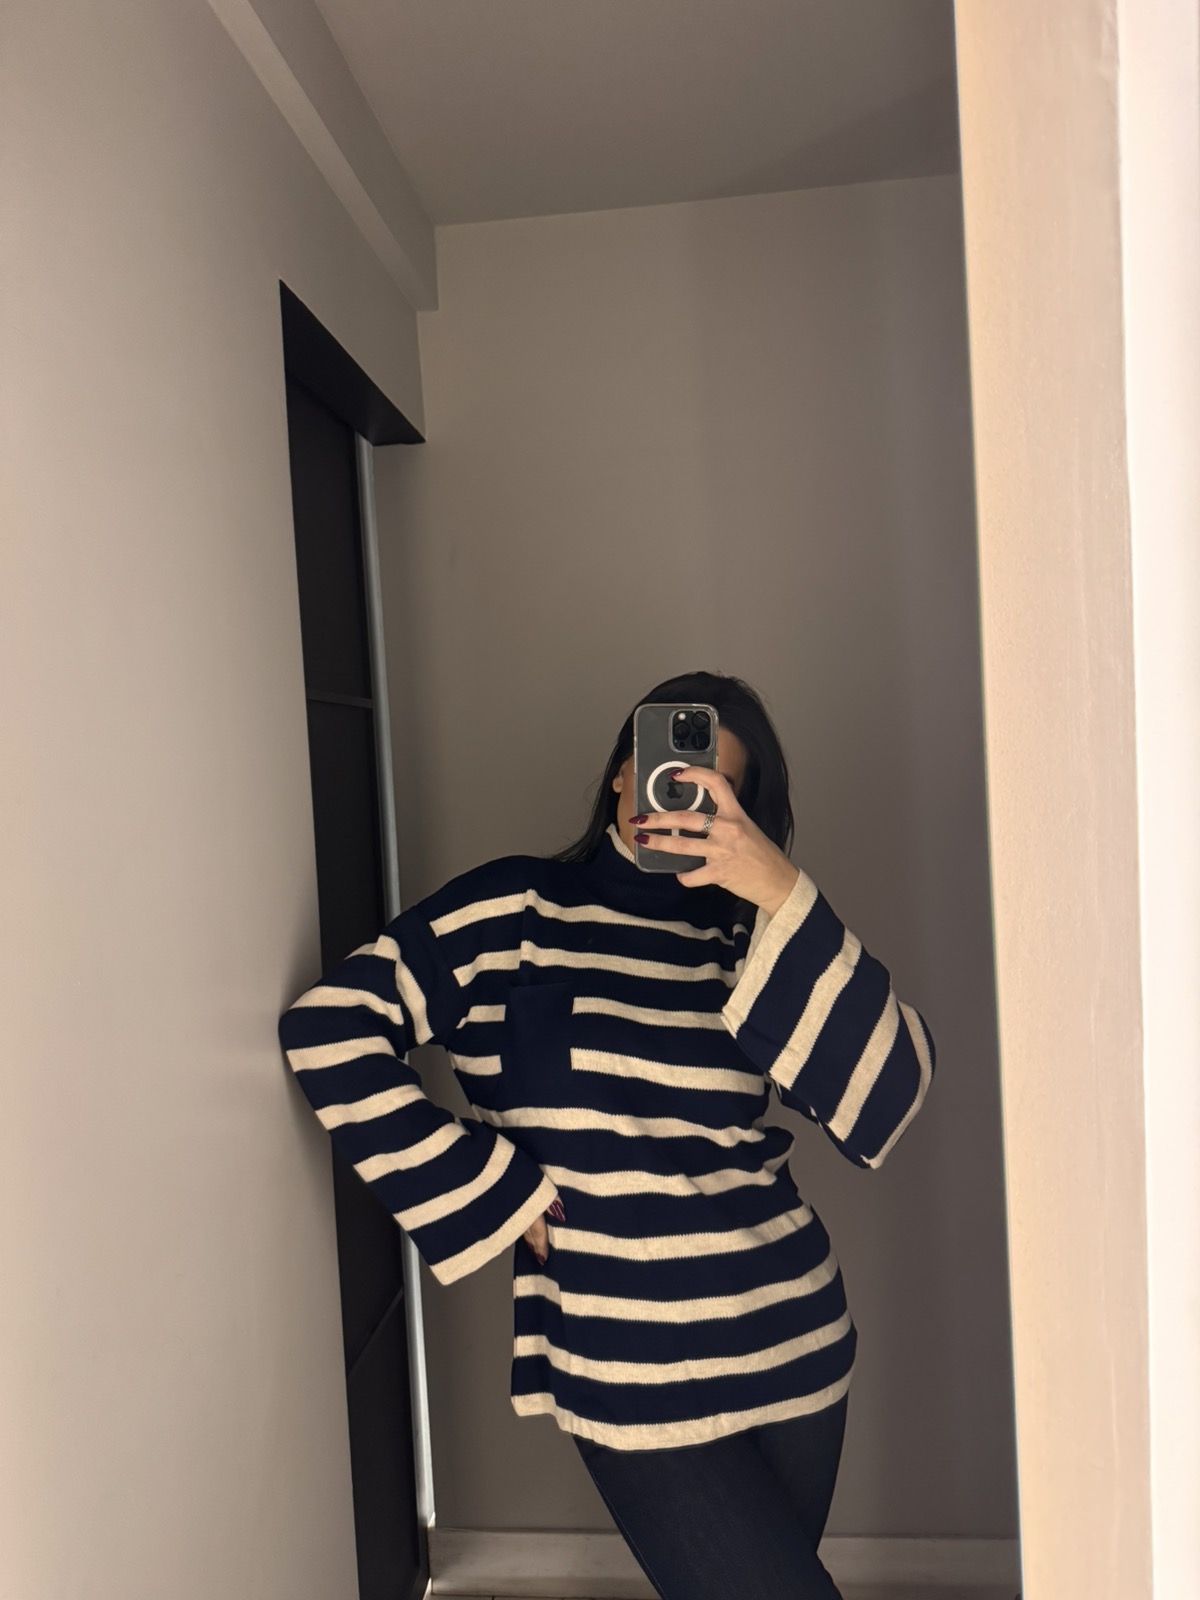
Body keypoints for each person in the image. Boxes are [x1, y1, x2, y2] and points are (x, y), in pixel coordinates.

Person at [278, 669, 937, 1600]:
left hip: (794, 1345)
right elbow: (329, 1027)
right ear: (623, 772)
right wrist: (497, 1193)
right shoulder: (514, 910)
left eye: (713, 786)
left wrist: (780, 890)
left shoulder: (749, 939)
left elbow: (888, 1096)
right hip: (627, 1364)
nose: (677, 793)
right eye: (661, 765)